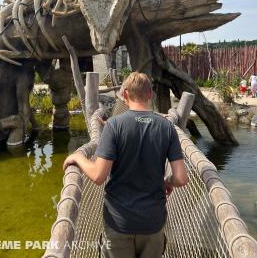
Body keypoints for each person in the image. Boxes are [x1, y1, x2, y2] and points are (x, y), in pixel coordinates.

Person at [63, 72, 188, 258]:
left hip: (119, 221)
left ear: (126, 95)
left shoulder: (114, 125)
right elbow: (181, 178)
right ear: (150, 95)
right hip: (152, 223)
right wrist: (167, 181)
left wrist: (79, 158)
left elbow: (98, 176)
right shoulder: (166, 127)